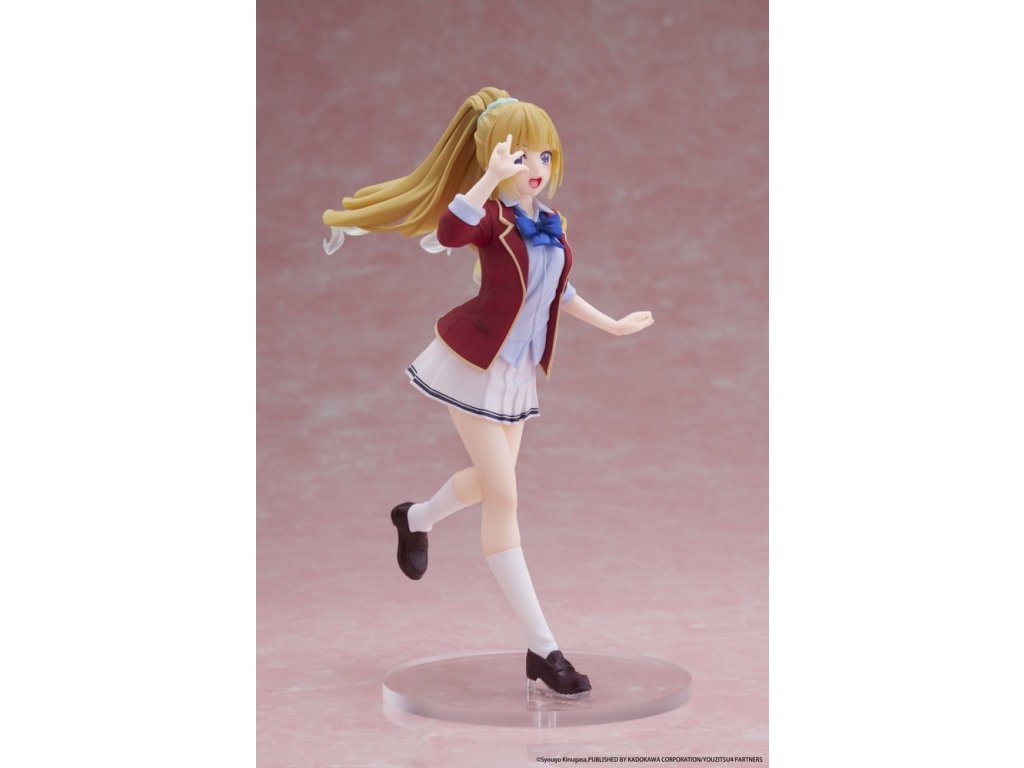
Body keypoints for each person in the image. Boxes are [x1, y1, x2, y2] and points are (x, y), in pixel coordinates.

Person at [322, 87, 654, 696]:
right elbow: (451, 231)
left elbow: (556, 290)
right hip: (473, 365)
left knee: (485, 483)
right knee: (503, 497)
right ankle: (543, 648)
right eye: (520, 156)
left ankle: (415, 517)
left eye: (544, 156)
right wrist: (487, 179)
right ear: (496, 158)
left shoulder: (550, 224)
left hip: (515, 375)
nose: (536, 168)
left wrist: (612, 325)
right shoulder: (491, 219)